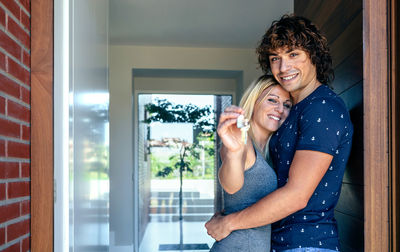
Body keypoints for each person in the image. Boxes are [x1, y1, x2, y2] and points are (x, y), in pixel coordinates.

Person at [205, 14, 353, 252]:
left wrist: (228, 222)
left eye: (293, 54)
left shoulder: (322, 107)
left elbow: (296, 196)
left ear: (313, 55)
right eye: (275, 58)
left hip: (306, 245)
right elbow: (238, 184)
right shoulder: (296, 110)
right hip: (279, 243)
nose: (284, 68)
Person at [210, 75, 292, 252]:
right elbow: (231, 185)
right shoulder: (242, 142)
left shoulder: (271, 151)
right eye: (272, 100)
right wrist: (233, 152)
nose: (280, 109)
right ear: (254, 101)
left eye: (287, 105)